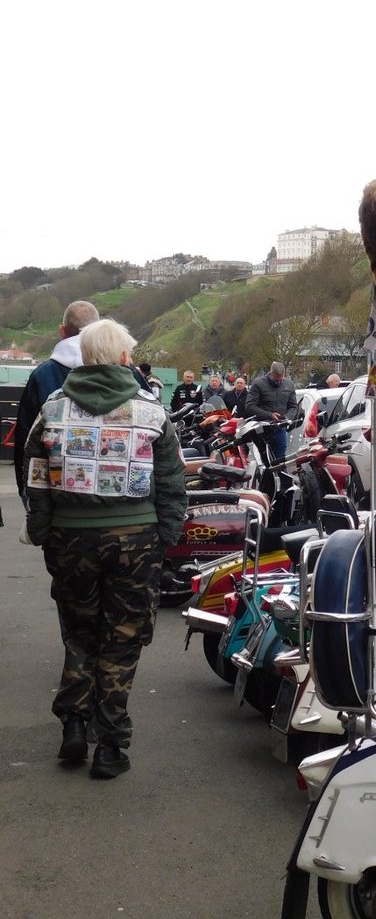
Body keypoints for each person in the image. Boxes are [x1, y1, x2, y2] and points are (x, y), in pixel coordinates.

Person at [22, 318, 188, 779]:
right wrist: (166, 537)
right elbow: (172, 482)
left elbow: (36, 476)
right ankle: (110, 745)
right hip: (136, 539)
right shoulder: (152, 411)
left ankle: (74, 724)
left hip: (71, 538)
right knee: (123, 636)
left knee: (79, 630)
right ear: (121, 358)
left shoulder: (53, 409)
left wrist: (41, 529)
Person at [14, 300, 100, 505]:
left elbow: (24, 439)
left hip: (56, 498)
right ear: (99, 330)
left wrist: (26, 492)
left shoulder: (41, 376)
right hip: (122, 505)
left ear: (62, 331)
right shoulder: (126, 371)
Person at [245, 361, 297, 459]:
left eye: (280, 379)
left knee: (280, 459)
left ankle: (280, 473)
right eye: (276, 379)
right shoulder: (258, 383)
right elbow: (249, 406)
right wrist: (269, 415)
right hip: (261, 429)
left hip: (279, 428)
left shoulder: (289, 384)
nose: (278, 382)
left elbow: (293, 406)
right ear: (270, 373)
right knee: (263, 460)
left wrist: (287, 417)